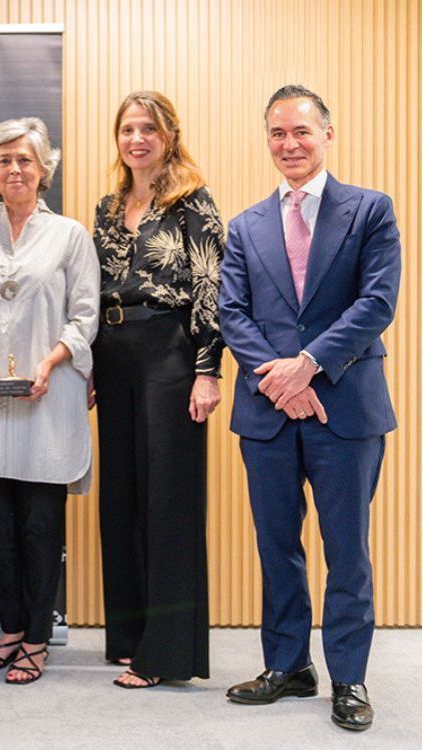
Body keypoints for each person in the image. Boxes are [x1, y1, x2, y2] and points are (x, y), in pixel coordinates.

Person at [220, 85, 400, 732]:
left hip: (345, 408)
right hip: (268, 411)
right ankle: (288, 665)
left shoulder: (370, 210)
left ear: (328, 133)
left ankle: (349, 678)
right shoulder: (245, 226)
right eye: (277, 133)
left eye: (301, 131)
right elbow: (232, 313)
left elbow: (377, 302)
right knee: (277, 547)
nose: (289, 144)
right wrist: (282, 382)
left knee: (346, 551)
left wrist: (308, 366)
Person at [0, 117, 100, 685]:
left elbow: (85, 316)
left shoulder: (70, 236)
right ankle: (9, 630)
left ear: (43, 167)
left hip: (48, 403)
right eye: (4, 160)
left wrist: (51, 361)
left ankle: (36, 638)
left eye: (25, 159)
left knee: (39, 528)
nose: (14, 170)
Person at [90, 91, 224, 688]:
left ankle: (166, 654)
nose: (136, 139)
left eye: (148, 128)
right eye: (127, 129)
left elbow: (212, 288)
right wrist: (88, 364)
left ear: (169, 135)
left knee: (168, 499)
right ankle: (129, 637)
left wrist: (207, 369)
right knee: (120, 498)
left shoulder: (193, 200)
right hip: (112, 353)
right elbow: (91, 289)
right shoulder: (106, 207)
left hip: (170, 352)